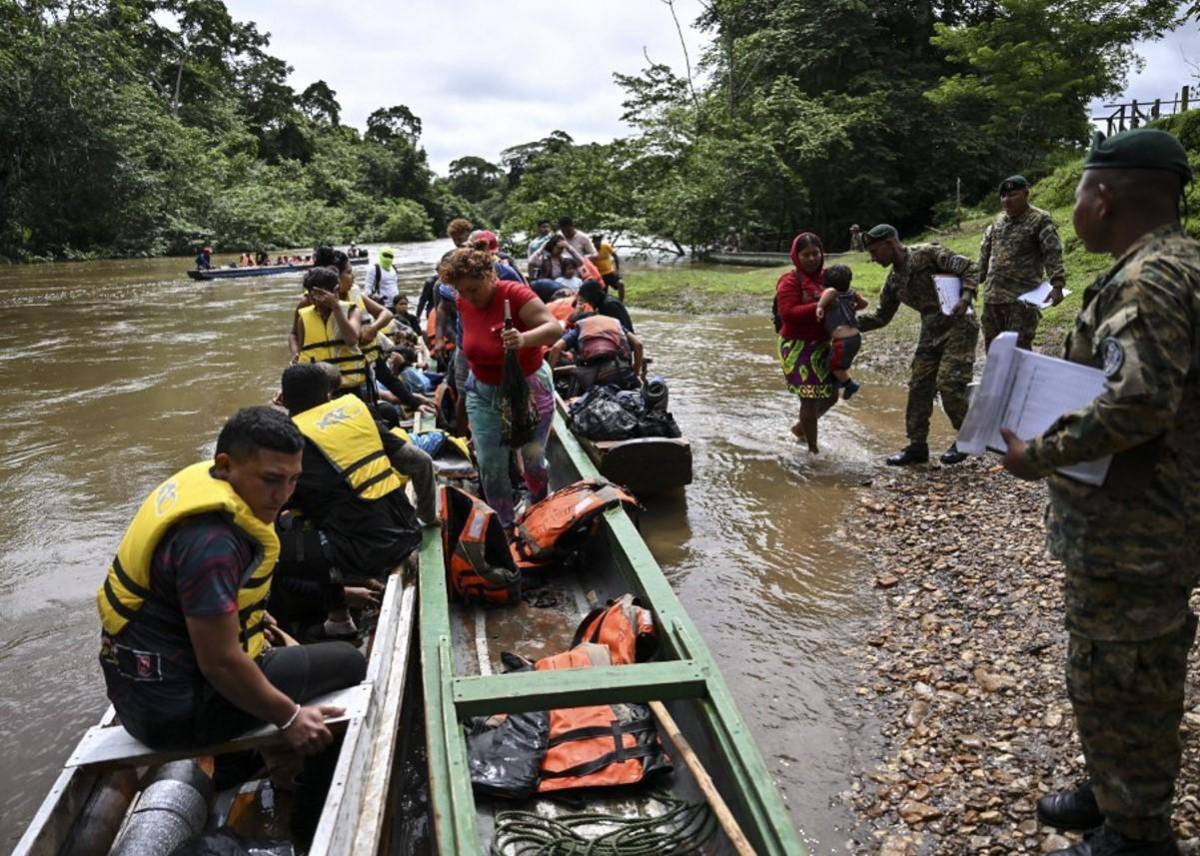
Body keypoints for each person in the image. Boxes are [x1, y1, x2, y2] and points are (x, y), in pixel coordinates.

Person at [999, 129, 1200, 856]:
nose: (1077, 205)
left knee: (1125, 675)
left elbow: (1138, 403)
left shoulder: (1148, 279)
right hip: (1155, 515)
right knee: (1116, 666)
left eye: (1082, 191)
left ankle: (1137, 833)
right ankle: (1112, 784)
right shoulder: (1182, 261)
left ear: (1104, 197)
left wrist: (1040, 453)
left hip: (1137, 527)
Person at [97, 406, 365, 751]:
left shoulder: (201, 486)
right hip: (181, 714)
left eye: (293, 479)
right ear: (225, 465)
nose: (284, 495)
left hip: (137, 695)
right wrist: (290, 717)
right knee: (350, 661)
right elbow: (220, 662)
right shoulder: (213, 545)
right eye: (270, 480)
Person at [275, 364, 428, 639]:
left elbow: (275, 505)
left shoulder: (289, 442)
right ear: (329, 395)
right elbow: (421, 461)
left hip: (360, 552)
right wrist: (429, 522)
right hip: (406, 531)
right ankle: (342, 601)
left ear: (284, 400)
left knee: (275, 538)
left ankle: (331, 619)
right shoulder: (355, 412)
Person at [438, 247, 562, 527]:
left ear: (490, 275)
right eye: (462, 291)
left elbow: (554, 329)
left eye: (473, 288)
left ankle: (539, 505)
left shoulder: (514, 294)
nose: (469, 296)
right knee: (490, 466)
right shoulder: (462, 301)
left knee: (533, 462)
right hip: (482, 391)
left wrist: (524, 338)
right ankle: (505, 526)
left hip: (528, 388)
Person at [858, 224, 979, 466]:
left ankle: (968, 438)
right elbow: (881, 317)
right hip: (931, 331)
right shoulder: (893, 280)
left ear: (891, 243)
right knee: (919, 385)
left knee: (948, 382)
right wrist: (845, 324)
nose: (873, 258)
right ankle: (917, 446)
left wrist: (966, 298)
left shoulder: (927, 254)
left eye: (874, 251)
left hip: (958, 325)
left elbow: (970, 267)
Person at [979, 174, 1068, 350]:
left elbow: (1052, 252)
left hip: (1021, 300)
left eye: (1012, 195)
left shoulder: (1040, 219)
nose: (1007, 200)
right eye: (1003, 196)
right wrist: (973, 280)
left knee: (1018, 352)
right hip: (993, 299)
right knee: (994, 351)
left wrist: (1057, 285)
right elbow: (985, 254)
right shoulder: (997, 221)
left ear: (1026, 194)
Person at [773, 232, 837, 453]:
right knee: (809, 398)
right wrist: (822, 304)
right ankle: (813, 451)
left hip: (821, 345)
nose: (811, 259)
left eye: (815, 253)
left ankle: (801, 428)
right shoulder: (789, 281)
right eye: (806, 255)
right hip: (797, 347)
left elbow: (844, 295)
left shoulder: (828, 278)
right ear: (796, 256)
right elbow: (788, 313)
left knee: (831, 395)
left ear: (822, 254)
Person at [290, 267, 367, 398]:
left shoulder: (351, 311)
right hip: (317, 389)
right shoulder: (304, 318)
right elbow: (304, 351)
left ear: (335, 291)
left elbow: (352, 340)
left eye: (322, 295)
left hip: (348, 386)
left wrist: (335, 307)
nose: (317, 301)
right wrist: (296, 354)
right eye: (313, 297)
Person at [547, 306, 644, 394]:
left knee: (576, 381)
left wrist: (549, 375)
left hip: (595, 376)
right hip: (623, 371)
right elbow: (638, 345)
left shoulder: (579, 327)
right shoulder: (616, 323)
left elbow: (556, 348)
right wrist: (636, 372)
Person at [815, 264, 868, 399]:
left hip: (843, 341)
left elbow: (830, 292)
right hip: (855, 337)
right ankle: (840, 382)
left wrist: (820, 306)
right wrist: (854, 308)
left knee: (833, 366)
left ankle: (849, 384)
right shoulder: (852, 293)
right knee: (840, 363)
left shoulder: (832, 293)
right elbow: (865, 303)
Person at [592, 233, 624, 301]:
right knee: (603, 294)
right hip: (599, 275)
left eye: (599, 240)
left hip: (610, 272)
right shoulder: (591, 250)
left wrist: (617, 269)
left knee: (621, 283)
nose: (597, 242)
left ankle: (621, 302)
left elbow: (615, 256)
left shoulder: (606, 246)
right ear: (593, 241)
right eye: (595, 241)